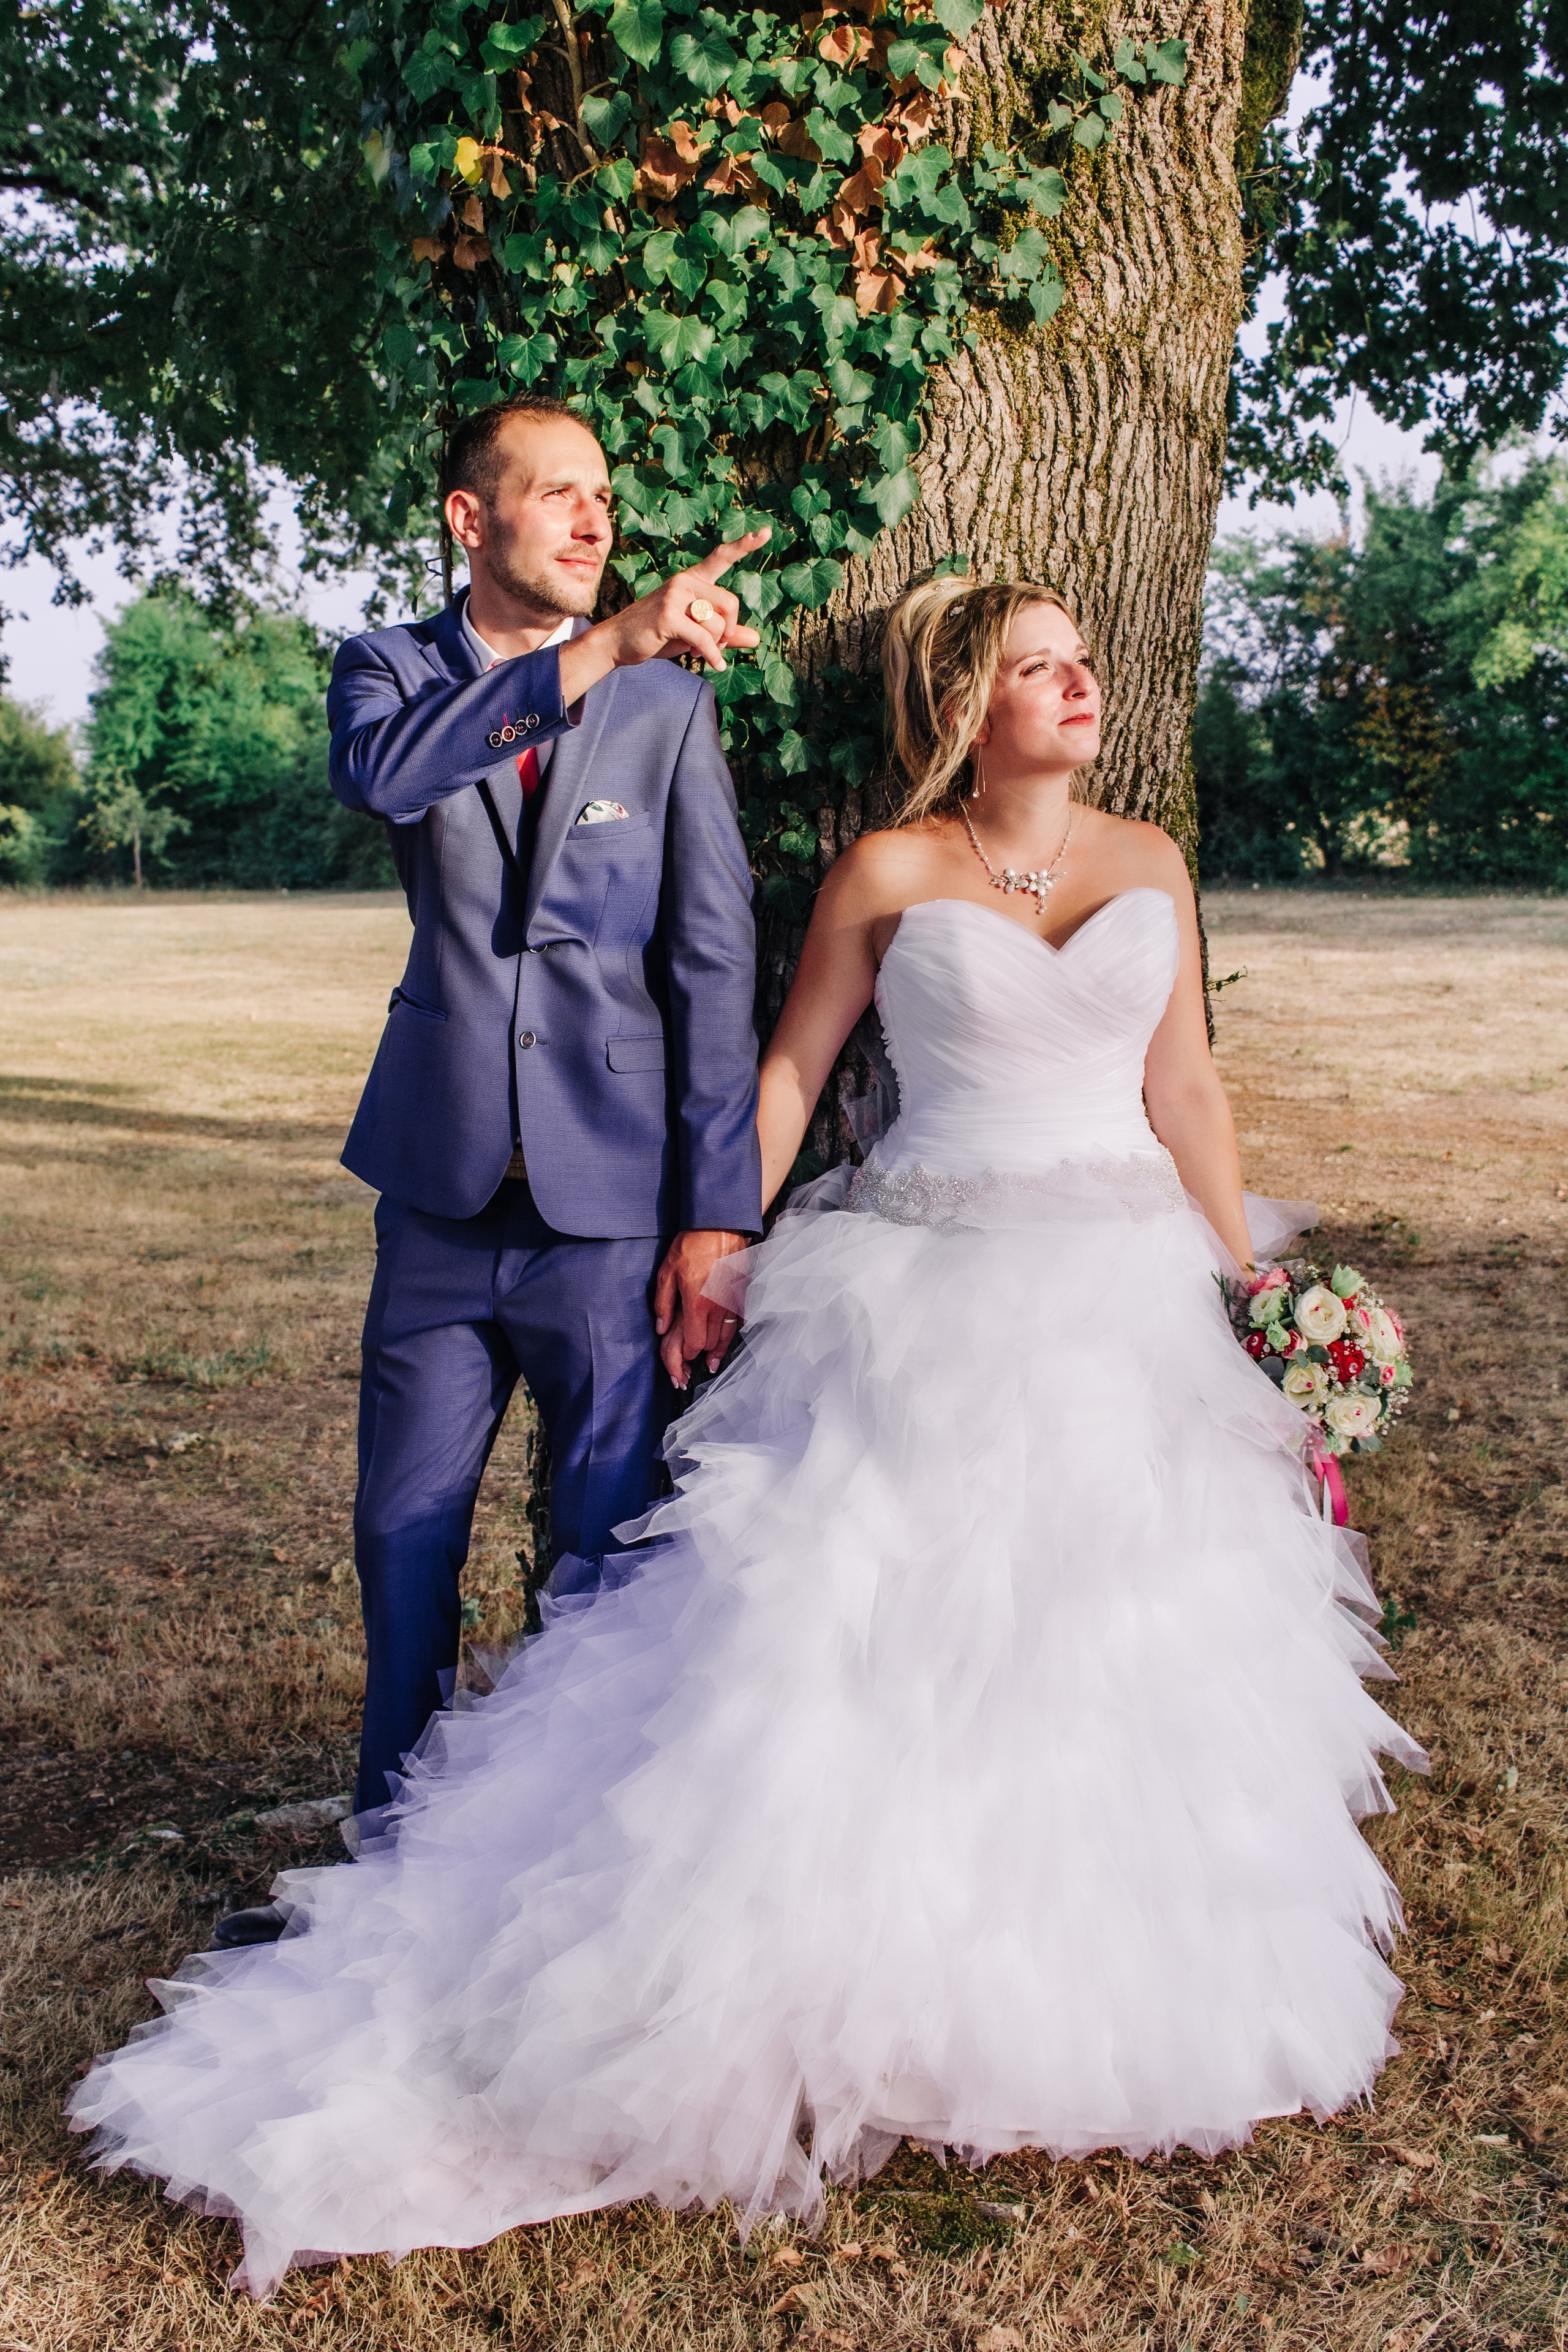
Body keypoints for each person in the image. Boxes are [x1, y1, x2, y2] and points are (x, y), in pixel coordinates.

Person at [70, 577, 1426, 2294]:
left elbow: (1190, 1091)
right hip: (925, 1280)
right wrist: (719, 1236)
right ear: (966, 700)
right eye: (1035, 668)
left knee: (1118, 1635)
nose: (1077, 685)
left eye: (1083, 661)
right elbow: (791, 1073)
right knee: (862, 1639)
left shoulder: (1152, 861)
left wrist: (1251, 1297)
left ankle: (1084, 1989)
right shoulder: (890, 873)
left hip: (1127, 1289)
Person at [212, 395, 767, 1949]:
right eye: (559, 497)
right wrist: (593, 652)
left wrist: (713, 1208)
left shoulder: (668, 711)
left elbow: (711, 958)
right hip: (443, 1189)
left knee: (598, 1543)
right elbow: (390, 781)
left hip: (612, 1203)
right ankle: (390, 1847)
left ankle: (566, 1870)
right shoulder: (389, 669)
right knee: (404, 1530)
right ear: (472, 519)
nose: (596, 524)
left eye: (604, 498)